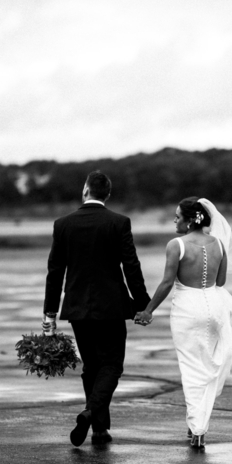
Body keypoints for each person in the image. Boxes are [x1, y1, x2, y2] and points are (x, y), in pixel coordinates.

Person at [43, 171, 151, 447]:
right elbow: (131, 266)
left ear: (85, 190)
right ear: (108, 194)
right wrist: (143, 304)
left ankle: (99, 430)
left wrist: (50, 314)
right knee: (111, 365)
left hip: (77, 308)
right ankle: (91, 414)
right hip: (112, 307)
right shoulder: (119, 222)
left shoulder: (63, 224)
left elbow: (55, 272)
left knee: (91, 367)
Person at [135, 197, 232, 449]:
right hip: (215, 308)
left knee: (191, 369)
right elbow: (220, 282)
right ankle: (196, 422)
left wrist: (148, 311)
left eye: (177, 217)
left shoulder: (176, 245)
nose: (174, 221)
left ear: (189, 221)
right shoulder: (219, 244)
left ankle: (198, 430)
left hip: (187, 310)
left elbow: (167, 283)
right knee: (209, 367)